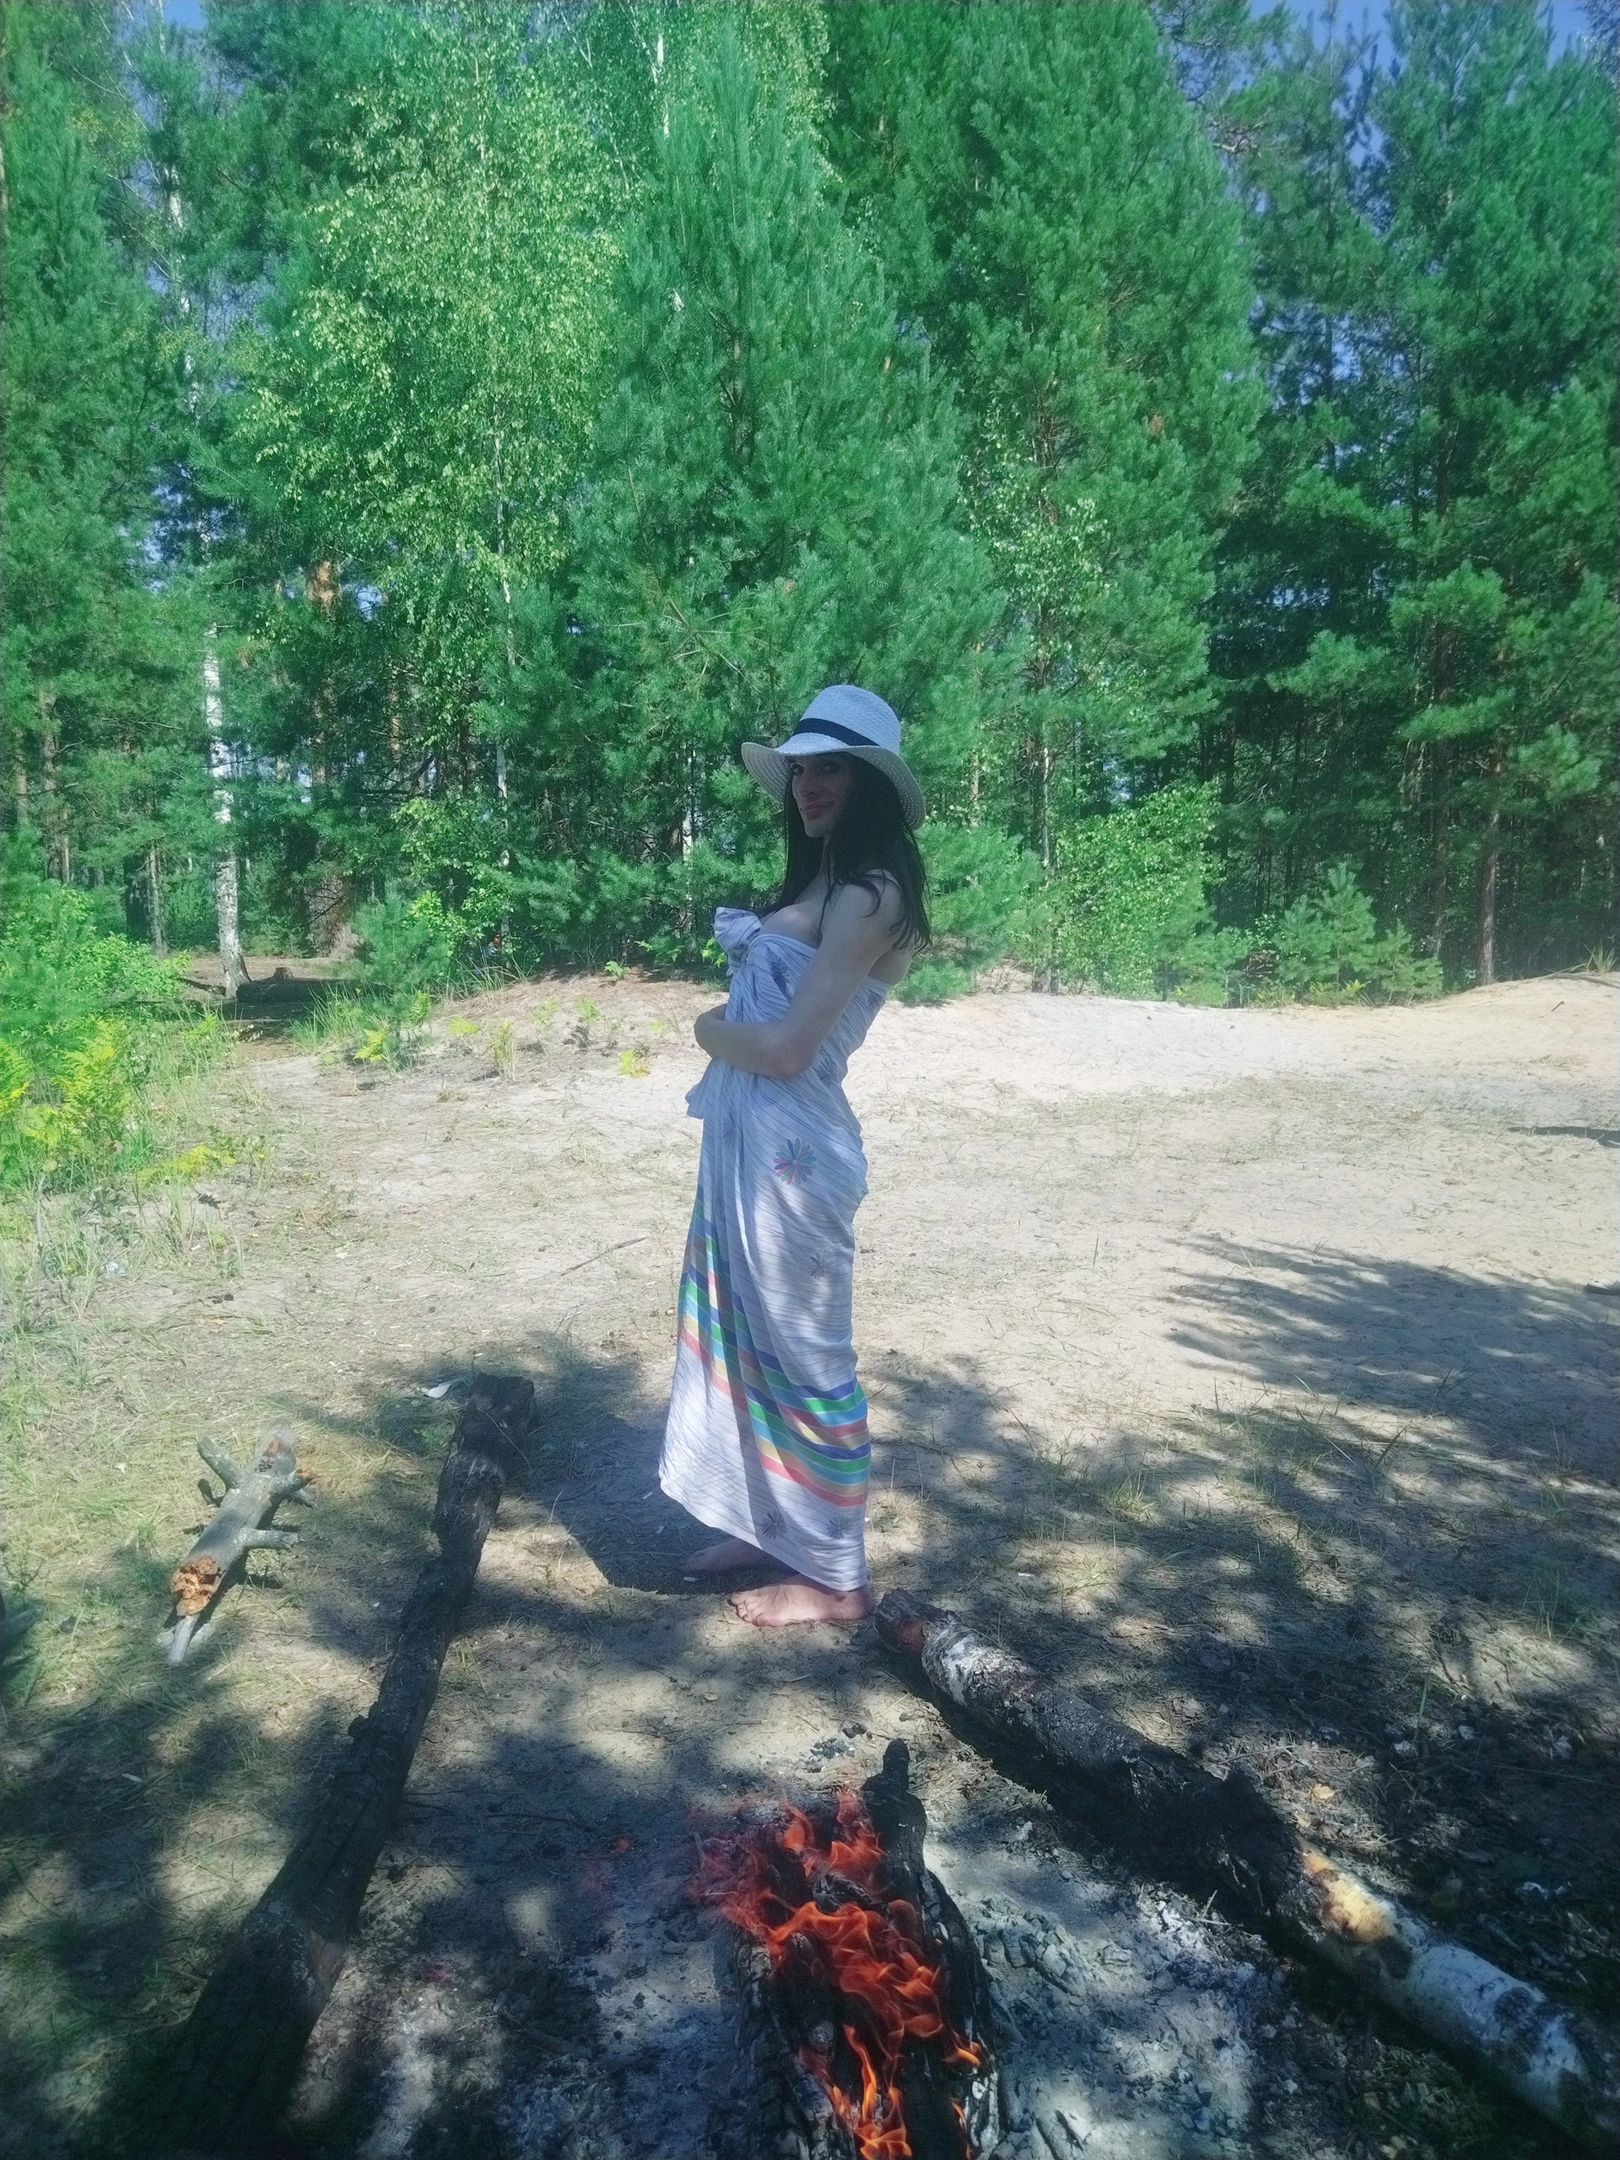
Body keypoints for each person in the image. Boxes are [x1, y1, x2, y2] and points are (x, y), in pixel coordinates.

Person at [658, 684, 928, 1626]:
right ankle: (767, 1524)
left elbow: (785, 1049)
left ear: (871, 784)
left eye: (831, 769)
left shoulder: (872, 895)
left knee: (807, 1356)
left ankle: (837, 1577)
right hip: (748, 1146)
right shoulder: (819, 883)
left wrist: (705, 1029)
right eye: (801, 768)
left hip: (793, 1160)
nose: (809, 785)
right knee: (745, 1337)